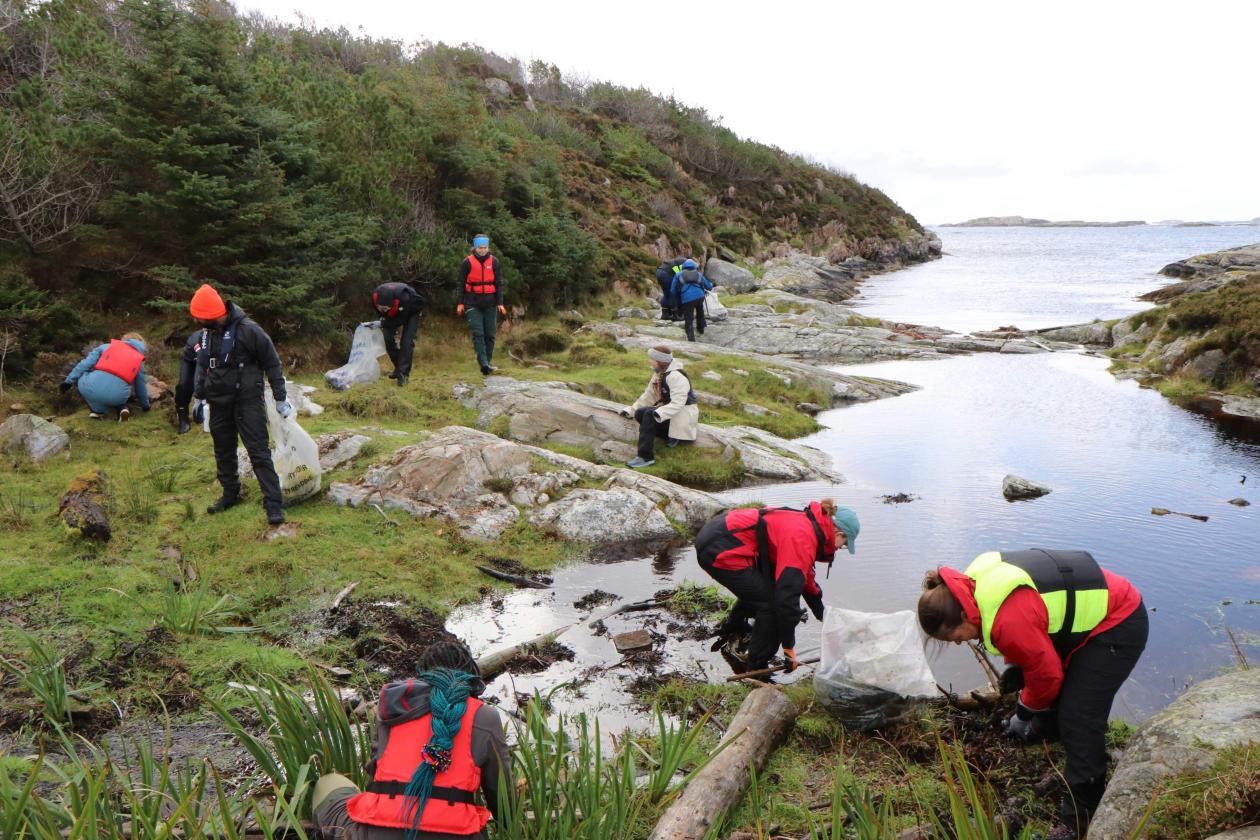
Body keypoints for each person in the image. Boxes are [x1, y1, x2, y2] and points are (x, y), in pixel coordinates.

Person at [917, 550, 1147, 840]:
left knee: (1080, 715)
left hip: (1117, 621)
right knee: (1058, 693)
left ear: (963, 615)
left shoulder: (1006, 620)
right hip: (1083, 620)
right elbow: (1031, 616)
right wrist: (1016, 665)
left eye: (957, 637)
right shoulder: (971, 582)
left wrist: (1024, 711)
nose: (962, 642)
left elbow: (1047, 674)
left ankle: (1078, 821)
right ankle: (1049, 728)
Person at [312, 639, 512, 840]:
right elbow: (503, 799)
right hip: (458, 833)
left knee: (328, 783)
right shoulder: (486, 717)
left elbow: (375, 773)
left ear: (423, 673)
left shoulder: (393, 705)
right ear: (469, 676)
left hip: (375, 833)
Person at [695, 500, 860, 677]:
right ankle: (757, 668)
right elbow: (786, 599)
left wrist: (823, 615)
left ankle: (732, 627)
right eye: (843, 544)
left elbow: (805, 578)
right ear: (838, 532)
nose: (838, 549)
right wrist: (789, 647)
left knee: (763, 590)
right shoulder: (803, 538)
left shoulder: (809, 524)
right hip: (720, 548)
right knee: (772, 604)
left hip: (719, 535)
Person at [189, 283, 290, 527]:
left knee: (258, 452)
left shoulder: (249, 330)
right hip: (218, 402)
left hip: (247, 402)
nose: (199, 322)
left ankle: (273, 504)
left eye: (202, 318)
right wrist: (199, 398)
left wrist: (280, 397)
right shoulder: (206, 334)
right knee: (223, 451)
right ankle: (230, 495)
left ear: (214, 315)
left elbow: (272, 362)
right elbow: (204, 366)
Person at [620, 345, 699, 469]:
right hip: (671, 415)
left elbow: (678, 403)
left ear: (659, 361)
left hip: (682, 419)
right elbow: (648, 396)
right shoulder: (659, 374)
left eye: (652, 359)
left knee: (649, 415)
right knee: (640, 413)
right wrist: (631, 410)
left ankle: (645, 457)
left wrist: (659, 412)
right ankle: (666, 435)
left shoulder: (676, 377)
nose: (649, 361)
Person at [60, 333, 151, 421]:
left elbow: (84, 365)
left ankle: (96, 411)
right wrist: (145, 406)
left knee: (85, 374)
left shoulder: (106, 346)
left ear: (124, 339)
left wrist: (68, 382)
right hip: (117, 396)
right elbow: (140, 386)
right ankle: (122, 409)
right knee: (122, 387)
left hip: (89, 387)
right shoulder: (139, 360)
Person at [457, 234, 506, 375]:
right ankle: (483, 363)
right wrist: (460, 303)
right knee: (478, 333)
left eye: (485, 247)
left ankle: (487, 363)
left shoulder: (495, 262)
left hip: (490, 303)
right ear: (475, 247)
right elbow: (460, 284)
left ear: (488, 247)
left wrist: (500, 303)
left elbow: (499, 284)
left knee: (490, 334)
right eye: (480, 248)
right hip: (472, 303)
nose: (482, 250)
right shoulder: (467, 262)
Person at [372, 281, 426, 387]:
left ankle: (403, 375)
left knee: (406, 342)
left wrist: (382, 323)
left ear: (392, 304)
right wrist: (382, 320)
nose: (382, 310)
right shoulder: (375, 298)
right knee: (387, 339)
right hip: (396, 311)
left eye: (385, 309)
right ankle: (399, 368)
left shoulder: (404, 298)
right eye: (380, 308)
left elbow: (400, 321)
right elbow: (383, 315)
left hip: (412, 310)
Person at [669, 259, 714, 342]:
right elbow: (709, 286)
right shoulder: (698, 274)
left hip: (687, 299)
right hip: (700, 297)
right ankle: (701, 329)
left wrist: (676, 298)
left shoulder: (678, 275)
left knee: (688, 318)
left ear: (684, 267)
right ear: (694, 266)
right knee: (700, 310)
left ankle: (691, 339)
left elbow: (672, 290)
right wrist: (711, 284)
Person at [174, 329, 203, 434]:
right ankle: (183, 417)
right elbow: (198, 373)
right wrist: (198, 394)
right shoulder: (197, 342)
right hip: (190, 358)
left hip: (208, 359)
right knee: (184, 385)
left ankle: (204, 408)